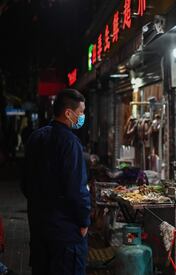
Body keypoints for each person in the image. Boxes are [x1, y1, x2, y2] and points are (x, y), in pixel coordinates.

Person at [21, 89, 91, 275]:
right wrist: (84, 222)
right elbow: (77, 190)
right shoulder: (70, 143)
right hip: (66, 235)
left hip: (39, 228)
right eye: (81, 112)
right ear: (68, 113)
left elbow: (25, 184)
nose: (83, 116)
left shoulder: (35, 138)